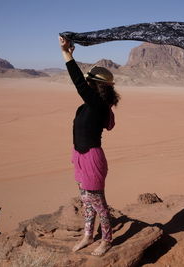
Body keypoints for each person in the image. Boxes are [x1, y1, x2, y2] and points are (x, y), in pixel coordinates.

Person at [59, 36, 120, 256]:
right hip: (79, 156)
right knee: (86, 200)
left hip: (93, 158)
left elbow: (78, 83)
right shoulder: (85, 107)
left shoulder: (98, 105)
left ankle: (107, 239)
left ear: (95, 85)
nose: (86, 84)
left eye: (89, 82)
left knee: (98, 203)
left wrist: (67, 54)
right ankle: (88, 235)